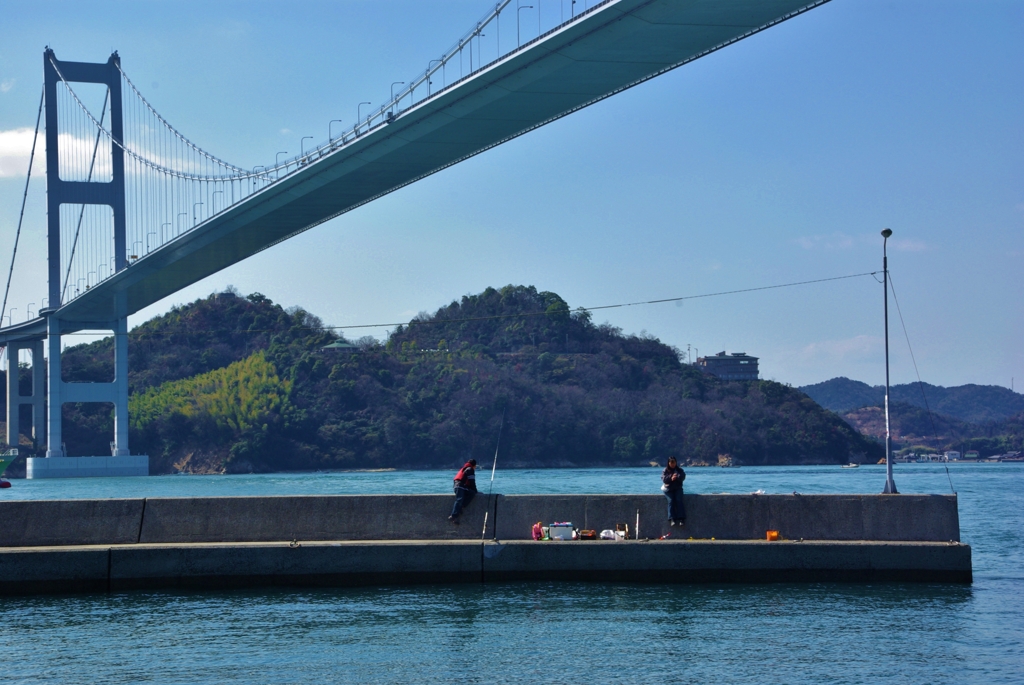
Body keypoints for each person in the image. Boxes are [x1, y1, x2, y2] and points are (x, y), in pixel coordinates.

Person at [448, 458, 478, 524]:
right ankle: (453, 516)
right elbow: (472, 481)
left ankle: (460, 507)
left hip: (459, 486)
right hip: (460, 486)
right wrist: (476, 490)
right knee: (459, 499)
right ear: (474, 465)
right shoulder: (470, 469)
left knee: (471, 493)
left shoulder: (464, 468)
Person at [662, 457, 686, 526]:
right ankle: (672, 518)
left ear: (676, 462)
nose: (672, 464)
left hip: (678, 488)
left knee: (679, 500)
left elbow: (683, 477)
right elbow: (664, 479)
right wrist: (671, 478)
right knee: (671, 501)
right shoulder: (665, 470)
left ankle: (681, 518)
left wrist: (677, 477)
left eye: (674, 462)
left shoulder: (679, 470)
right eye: (671, 463)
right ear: (668, 463)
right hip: (668, 489)